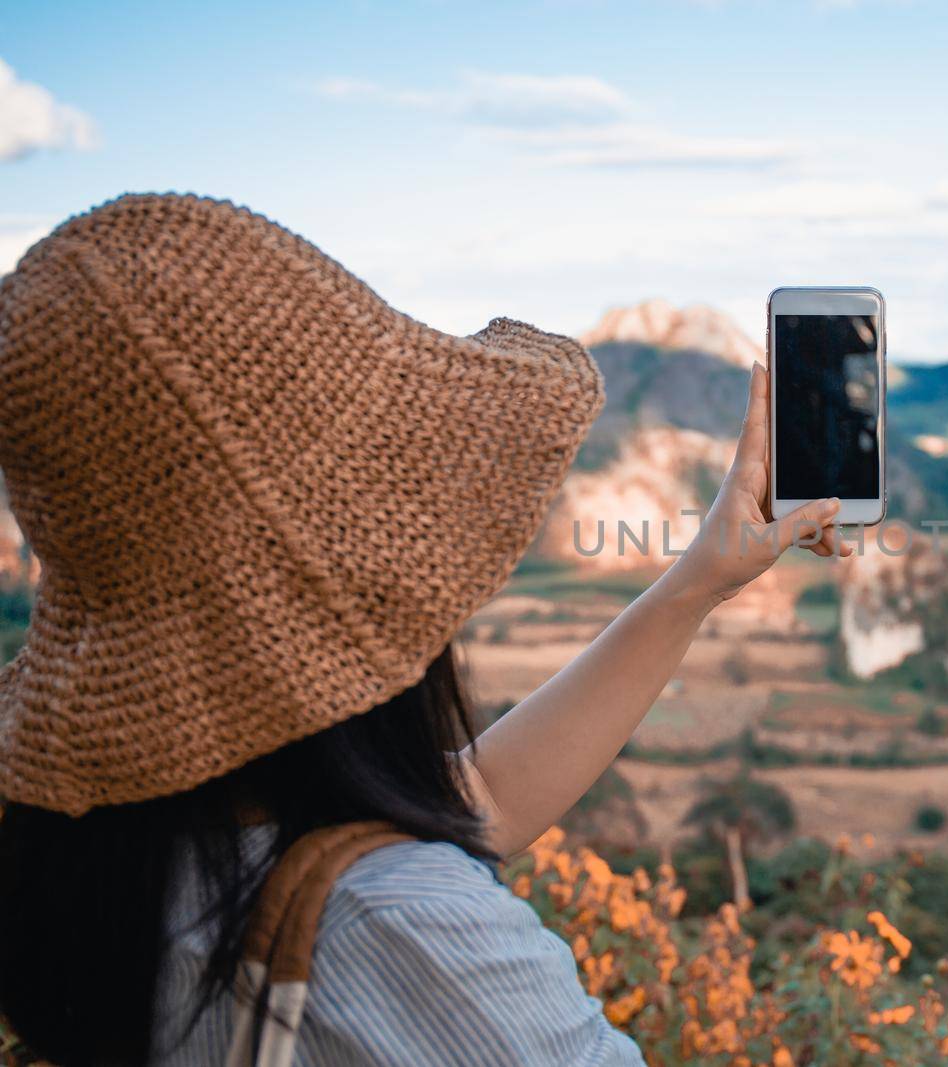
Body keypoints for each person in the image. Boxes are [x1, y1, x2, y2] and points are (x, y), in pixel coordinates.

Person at [0, 193, 849, 1065]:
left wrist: (694, 585)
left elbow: (463, 807)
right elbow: (395, 883)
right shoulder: (405, 932)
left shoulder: (116, 853)